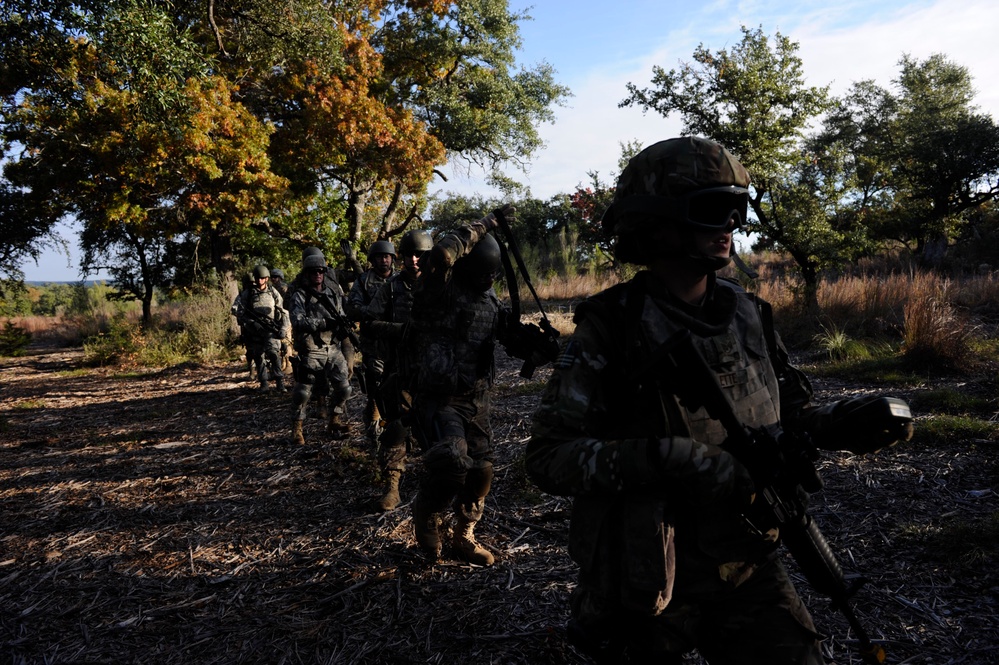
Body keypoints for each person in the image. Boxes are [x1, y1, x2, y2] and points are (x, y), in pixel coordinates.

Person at [525, 137, 913, 664]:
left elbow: (789, 416)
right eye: (710, 209)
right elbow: (548, 458)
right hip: (647, 574)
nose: (728, 224)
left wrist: (842, 424)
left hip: (745, 560)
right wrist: (674, 459)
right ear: (654, 223)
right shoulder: (611, 328)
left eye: (737, 209)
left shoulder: (748, 313)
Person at [407, 207, 516, 566]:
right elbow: (441, 253)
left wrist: (531, 343)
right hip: (439, 399)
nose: (489, 279)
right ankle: (427, 513)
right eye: (483, 273)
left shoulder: (489, 299)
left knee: (481, 469)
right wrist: (486, 224)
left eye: (493, 275)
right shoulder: (437, 289)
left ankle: (464, 534)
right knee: (453, 463)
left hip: (476, 399)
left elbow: (504, 337)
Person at [361, 229, 433, 511]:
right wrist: (401, 331)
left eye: (420, 255)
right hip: (401, 370)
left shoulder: (441, 286)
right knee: (397, 428)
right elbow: (368, 322)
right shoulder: (390, 288)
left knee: (438, 428)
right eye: (409, 255)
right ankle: (392, 487)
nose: (414, 260)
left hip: (436, 371)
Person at [288, 249, 353, 445]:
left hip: (332, 348)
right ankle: (297, 429)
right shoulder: (300, 295)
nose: (318, 274)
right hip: (311, 349)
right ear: (307, 273)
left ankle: (334, 420)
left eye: (321, 271)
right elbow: (297, 320)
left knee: (344, 389)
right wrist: (324, 323)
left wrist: (343, 328)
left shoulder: (333, 294)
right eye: (313, 271)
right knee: (303, 391)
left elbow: (341, 315)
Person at [346, 240, 398, 441]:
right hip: (374, 344)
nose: (383, 260)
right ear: (373, 260)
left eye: (387, 256)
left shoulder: (400, 279)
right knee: (378, 390)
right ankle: (377, 429)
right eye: (379, 257)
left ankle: (397, 429)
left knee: (400, 389)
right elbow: (352, 309)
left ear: (392, 259)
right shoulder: (363, 281)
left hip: (399, 342)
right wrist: (374, 313)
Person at [231, 264, 289, 392]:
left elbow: (283, 311)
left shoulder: (273, 292)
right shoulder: (248, 293)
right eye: (257, 278)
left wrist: (283, 328)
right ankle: (264, 383)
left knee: (274, 354)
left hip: (270, 329)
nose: (259, 281)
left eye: (262, 278)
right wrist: (251, 322)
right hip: (254, 331)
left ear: (267, 279)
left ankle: (280, 382)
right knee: (259, 356)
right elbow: (238, 311)